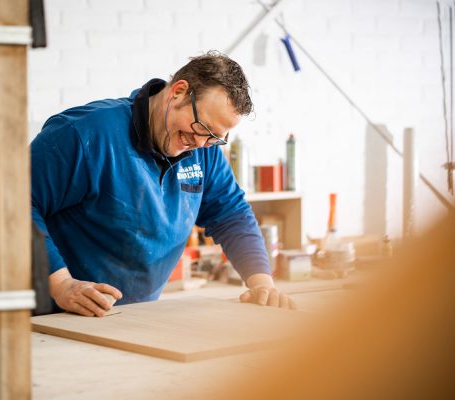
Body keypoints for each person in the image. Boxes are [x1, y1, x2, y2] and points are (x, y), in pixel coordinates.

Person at [31, 50, 296, 317]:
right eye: (202, 127)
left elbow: (231, 214)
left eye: (216, 137)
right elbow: (14, 204)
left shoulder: (203, 149)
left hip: (132, 317)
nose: (201, 144)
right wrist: (62, 284)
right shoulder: (84, 134)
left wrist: (262, 284)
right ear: (179, 92)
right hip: (56, 315)